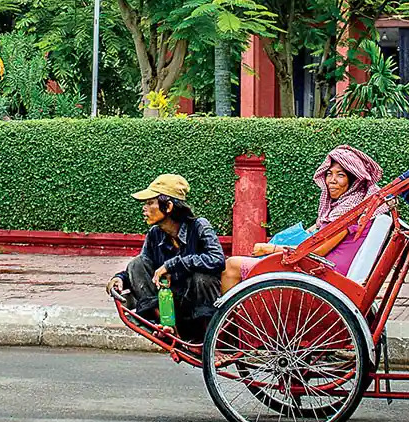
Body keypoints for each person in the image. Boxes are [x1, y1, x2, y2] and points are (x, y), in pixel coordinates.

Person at [219, 145, 385, 294]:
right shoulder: (352, 206)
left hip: (322, 275)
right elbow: (317, 231)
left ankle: (233, 325)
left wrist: (270, 249)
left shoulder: (347, 213)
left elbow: (316, 251)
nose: (332, 181)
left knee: (232, 265)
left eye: (340, 175)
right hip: (321, 270)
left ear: (354, 181)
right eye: (329, 174)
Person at [107, 174, 225, 342]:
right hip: (171, 306)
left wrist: (174, 264)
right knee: (136, 264)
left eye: (149, 203)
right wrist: (119, 279)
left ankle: (210, 342)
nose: (144, 208)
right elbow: (145, 267)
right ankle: (165, 327)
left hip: (200, 307)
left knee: (202, 277)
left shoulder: (199, 226)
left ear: (168, 206)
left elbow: (217, 259)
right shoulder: (155, 234)